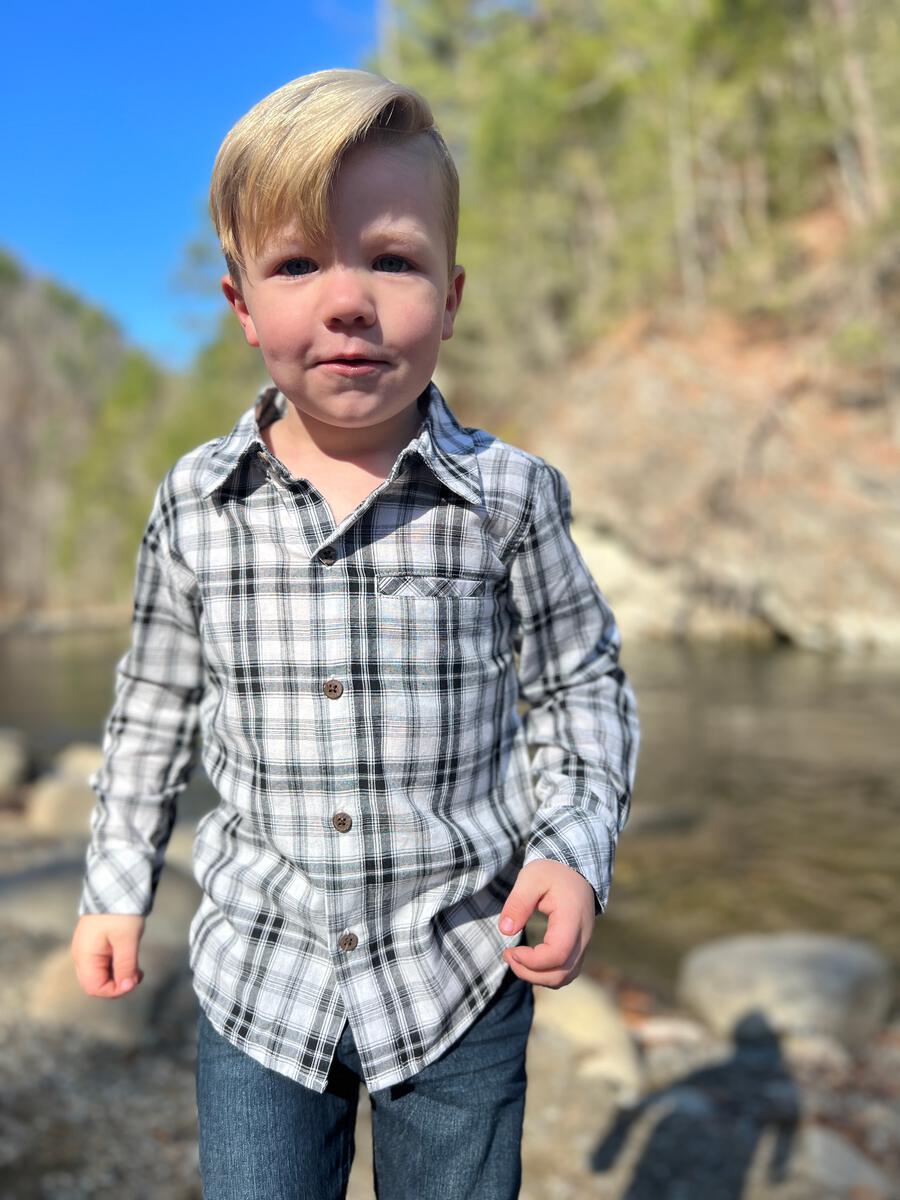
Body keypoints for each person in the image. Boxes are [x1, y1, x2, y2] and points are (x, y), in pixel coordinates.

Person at [70, 68, 641, 1200]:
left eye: (391, 258)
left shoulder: (508, 498)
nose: (347, 301)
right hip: (261, 981)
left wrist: (574, 853)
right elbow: (152, 709)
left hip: (457, 971)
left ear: (451, 291)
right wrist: (112, 884)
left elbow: (583, 686)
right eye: (297, 264)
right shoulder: (198, 502)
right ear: (241, 305)